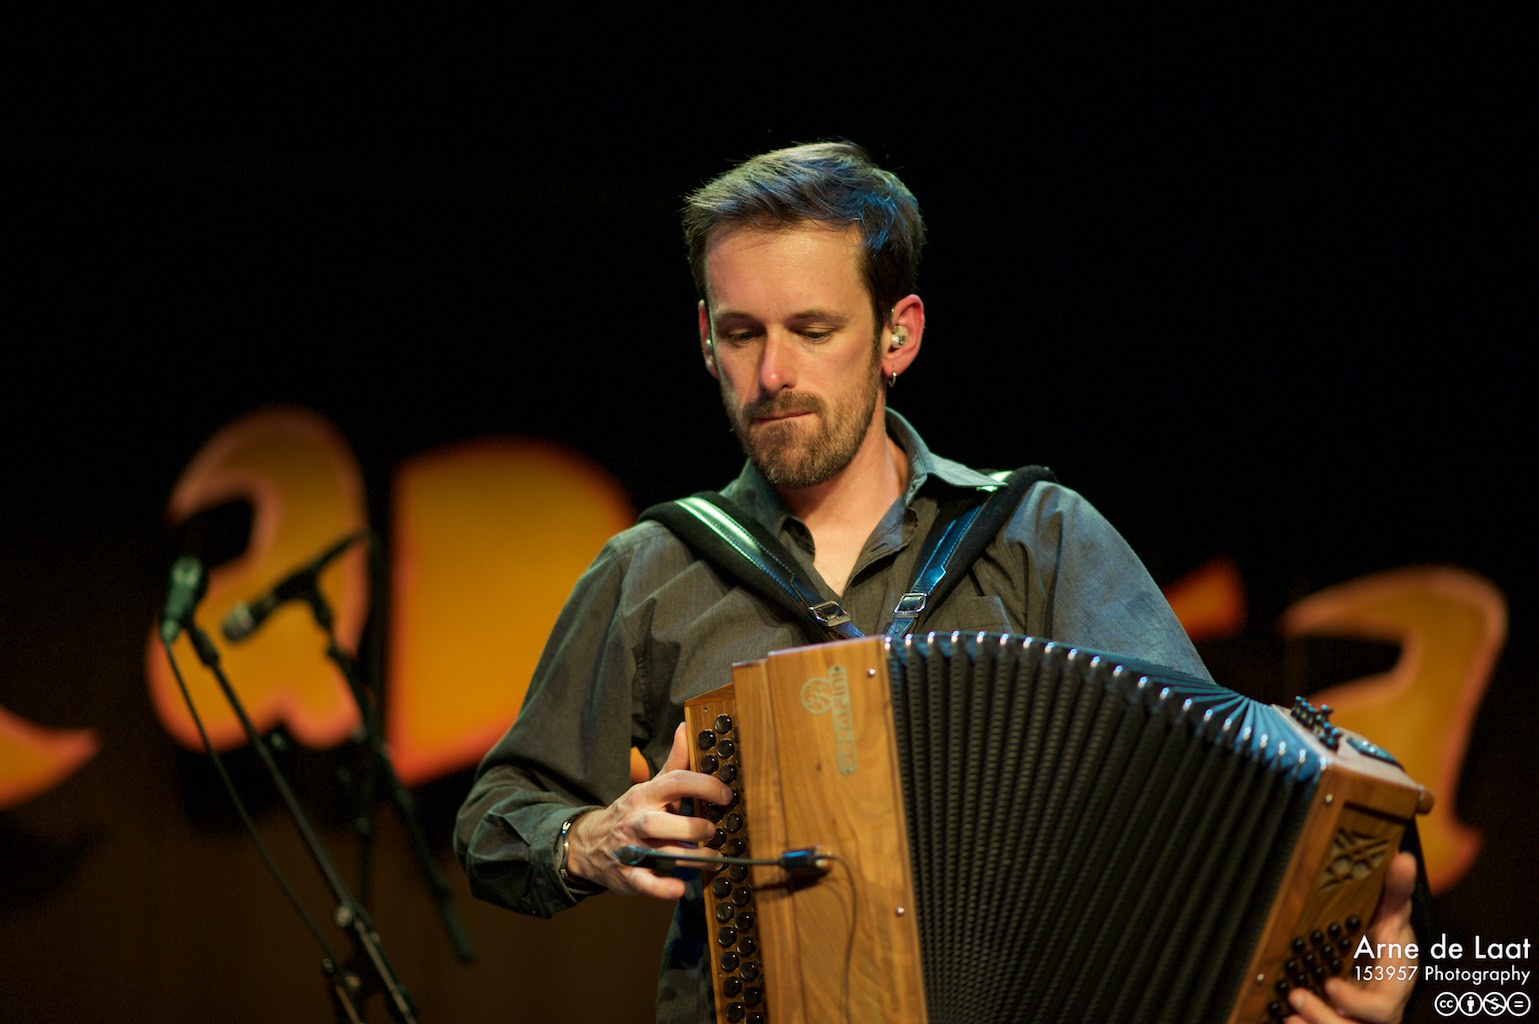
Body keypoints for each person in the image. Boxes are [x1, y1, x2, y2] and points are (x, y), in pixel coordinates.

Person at [454, 141, 1419, 1024]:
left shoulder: (1040, 537)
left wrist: (1346, 958)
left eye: (813, 329)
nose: (772, 373)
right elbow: (498, 819)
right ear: (706, 337)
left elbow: (1224, 792)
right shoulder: (652, 570)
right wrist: (590, 838)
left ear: (898, 334)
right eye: (742, 333)